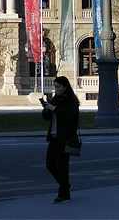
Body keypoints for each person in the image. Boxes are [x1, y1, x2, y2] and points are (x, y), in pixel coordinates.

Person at [41, 76, 80, 204]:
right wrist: (47, 108)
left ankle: (64, 195)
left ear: (65, 87)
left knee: (62, 166)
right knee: (50, 164)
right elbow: (47, 117)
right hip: (53, 136)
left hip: (65, 137)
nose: (56, 89)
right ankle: (65, 185)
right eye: (55, 87)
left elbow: (70, 116)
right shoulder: (55, 99)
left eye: (58, 87)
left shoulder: (71, 100)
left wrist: (54, 109)